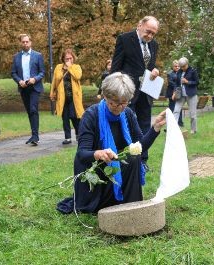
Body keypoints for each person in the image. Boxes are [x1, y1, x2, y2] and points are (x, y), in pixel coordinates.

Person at [57, 72, 166, 214]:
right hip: (96, 174)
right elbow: (82, 154)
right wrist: (98, 153)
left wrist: (155, 128)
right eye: (114, 103)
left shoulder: (128, 114)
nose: (119, 107)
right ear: (105, 96)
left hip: (116, 169)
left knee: (134, 157)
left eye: (124, 102)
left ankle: (132, 205)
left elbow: (139, 147)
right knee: (123, 161)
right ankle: (110, 202)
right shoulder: (91, 115)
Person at [110, 16, 160, 169]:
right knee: (128, 125)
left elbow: (149, 66)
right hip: (128, 92)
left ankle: (143, 160)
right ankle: (128, 159)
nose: (150, 36)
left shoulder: (154, 45)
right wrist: (115, 89)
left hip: (146, 92)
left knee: (145, 125)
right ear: (139, 25)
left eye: (153, 34)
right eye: (148, 32)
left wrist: (154, 70)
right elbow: (116, 67)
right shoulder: (125, 39)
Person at [11, 34, 45, 146]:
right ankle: (33, 135)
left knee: (33, 109)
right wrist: (19, 81)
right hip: (23, 87)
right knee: (29, 111)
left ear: (30, 42)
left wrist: (35, 79)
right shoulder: (16, 57)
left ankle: (35, 136)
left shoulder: (38, 55)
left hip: (34, 87)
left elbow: (42, 72)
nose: (25, 43)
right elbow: (13, 73)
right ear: (20, 43)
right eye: (23, 42)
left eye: (27, 41)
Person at [50, 48, 84, 145]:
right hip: (62, 97)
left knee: (75, 117)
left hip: (74, 97)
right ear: (63, 59)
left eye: (70, 58)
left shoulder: (76, 67)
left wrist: (70, 67)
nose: (69, 60)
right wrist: (52, 92)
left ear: (73, 58)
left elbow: (78, 76)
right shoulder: (58, 67)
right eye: (66, 58)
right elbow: (55, 80)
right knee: (65, 118)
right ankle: (67, 137)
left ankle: (79, 135)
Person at [172, 57, 199, 133]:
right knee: (176, 110)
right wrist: (174, 92)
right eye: (181, 67)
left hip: (191, 95)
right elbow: (176, 83)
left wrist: (188, 82)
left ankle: (193, 130)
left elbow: (197, 82)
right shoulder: (179, 72)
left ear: (187, 64)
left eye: (184, 66)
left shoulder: (193, 71)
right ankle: (173, 129)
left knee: (192, 114)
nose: (182, 68)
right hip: (181, 95)